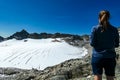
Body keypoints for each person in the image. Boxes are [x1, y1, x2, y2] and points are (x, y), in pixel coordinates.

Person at [90, 10, 119, 80]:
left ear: (99, 18)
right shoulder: (114, 30)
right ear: (109, 18)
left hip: (97, 57)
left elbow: (92, 43)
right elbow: (117, 44)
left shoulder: (95, 29)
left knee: (97, 77)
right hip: (110, 57)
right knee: (110, 78)